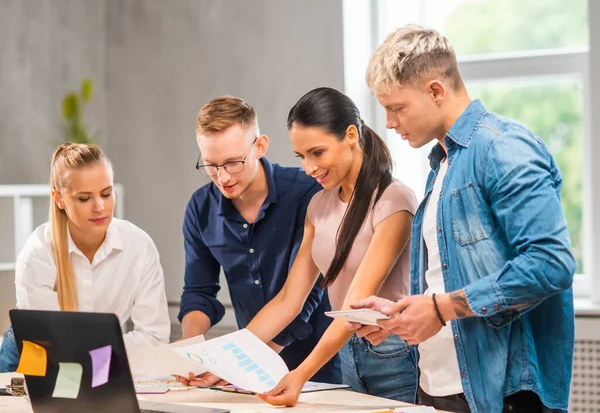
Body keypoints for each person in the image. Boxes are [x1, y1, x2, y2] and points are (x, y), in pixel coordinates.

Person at [350, 25, 576, 413]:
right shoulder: (442, 165)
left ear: (436, 91)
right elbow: (450, 280)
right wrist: (403, 316)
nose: (387, 122)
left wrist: (439, 308)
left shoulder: (502, 147)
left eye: (397, 107)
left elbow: (551, 263)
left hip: (500, 394)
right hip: (440, 385)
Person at [241, 87, 418, 406]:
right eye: (301, 156)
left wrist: (300, 374)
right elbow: (287, 300)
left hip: (398, 358)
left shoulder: (394, 201)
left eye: (317, 153)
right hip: (348, 357)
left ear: (351, 135)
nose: (308, 168)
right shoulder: (317, 207)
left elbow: (354, 309)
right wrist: (228, 358)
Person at [177, 96, 340, 384]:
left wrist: (241, 361)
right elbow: (199, 293)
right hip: (250, 368)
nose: (222, 176)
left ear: (260, 146)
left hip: (322, 364)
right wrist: (193, 354)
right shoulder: (201, 209)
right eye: (211, 165)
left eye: (232, 163)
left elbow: (304, 297)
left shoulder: (308, 193)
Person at [0, 143, 170, 372]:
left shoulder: (139, 247)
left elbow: (154, 337)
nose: (100, 207)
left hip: (101, 361)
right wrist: (107, 350)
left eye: (106, 194)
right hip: (32, 355)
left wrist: (100, 355)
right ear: (59, 199)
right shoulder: (37, 254)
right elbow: (51, 349)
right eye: (84, 198)